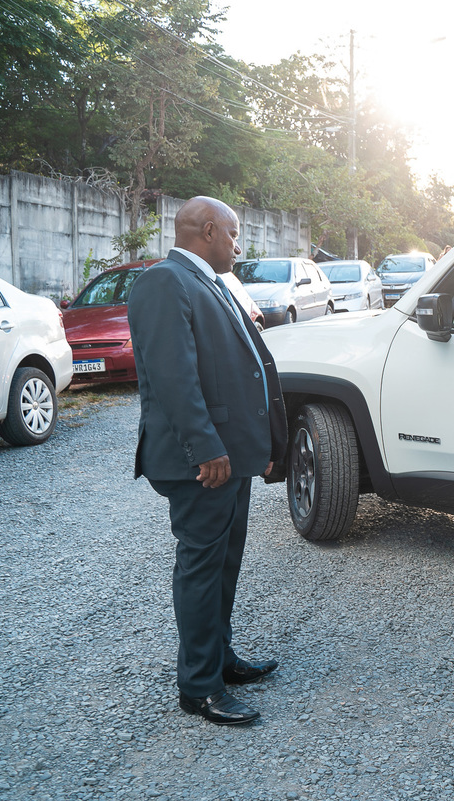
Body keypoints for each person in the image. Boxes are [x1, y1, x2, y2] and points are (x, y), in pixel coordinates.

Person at [127, 197, 286, 725]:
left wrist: (255, 447)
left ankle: (219, 659)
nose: (239, 247)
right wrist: (208, 448)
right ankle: (198, 687)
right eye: (235, 235)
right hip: (202, 462)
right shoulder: (164, 282)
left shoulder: (210, 282)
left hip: (229, 458)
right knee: (201, 568)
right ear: (210, 230)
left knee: (224, 563)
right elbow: (174, 378)